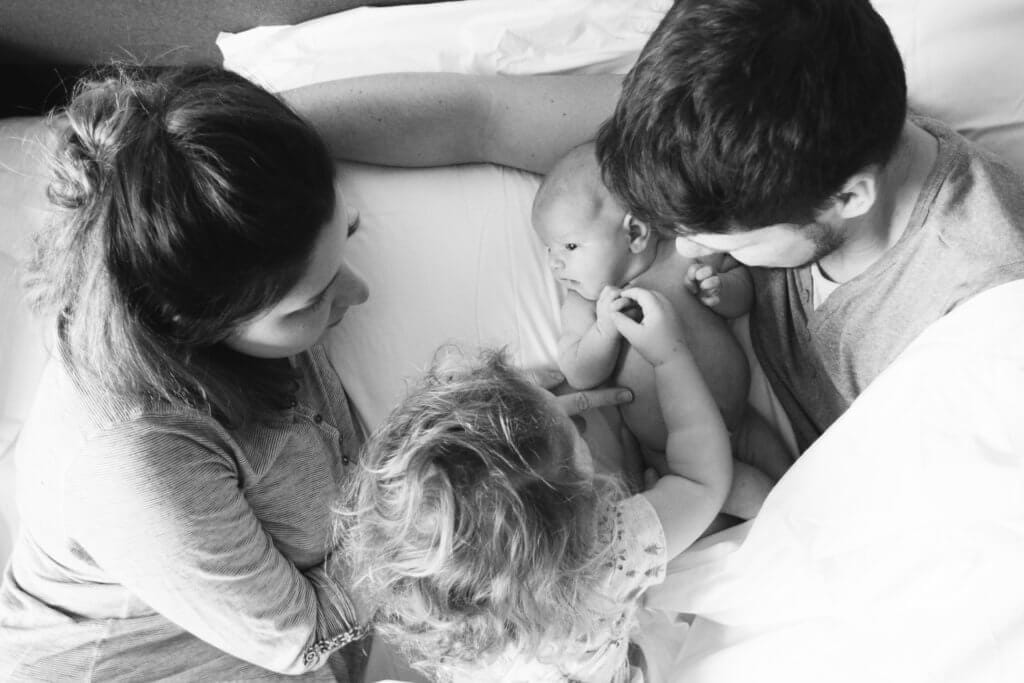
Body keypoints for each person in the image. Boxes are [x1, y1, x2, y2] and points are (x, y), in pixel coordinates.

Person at [0, 65, 629, 682]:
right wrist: (465, 495)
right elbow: (309, 634)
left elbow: (476, 112)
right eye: (311, 301)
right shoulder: (131, 465)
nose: (357, 294)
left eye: (346, 239)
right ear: (193, 325)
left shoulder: (217, 186)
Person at [289, 0, 1024, 455]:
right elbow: (478, 116)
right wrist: (232, 143)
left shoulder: (976, 319)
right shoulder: (736, 108)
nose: (682, 242)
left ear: (850, 196)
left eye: (722, 235)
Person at [594, 0, 1024, 451]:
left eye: (740, 244)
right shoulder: (793, 114)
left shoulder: (978, 324)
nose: (687, 251)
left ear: (850, 198)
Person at [341, 287, 740, 682]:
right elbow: (701, 479)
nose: (576, 420)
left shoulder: (426, 597)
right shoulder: (612, 551)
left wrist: (531, 429)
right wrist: (669, 355)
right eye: (577, 437)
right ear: (583, 511)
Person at [535, 141, 793, 485]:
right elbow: (579, 372)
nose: (554, 262)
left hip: (739, 423)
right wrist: (606, 330)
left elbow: (745, 294)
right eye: (548, 248)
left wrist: (721, 290)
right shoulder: (585, 303)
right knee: (715, 512)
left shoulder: (684, 254)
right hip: (671, 452)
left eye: (569, 246)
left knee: (792, 480)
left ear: (636, 232)